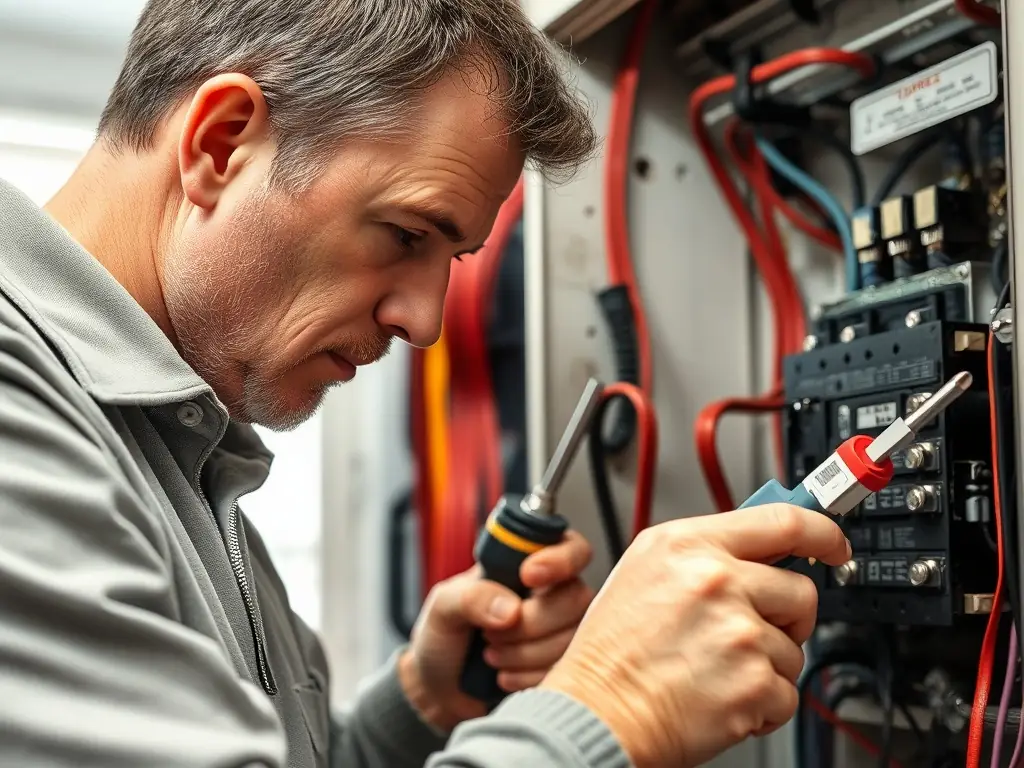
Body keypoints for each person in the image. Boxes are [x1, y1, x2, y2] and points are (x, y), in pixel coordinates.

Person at [0, 1, 851, 767]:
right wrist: (616, 705)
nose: (426, 322)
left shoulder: (177, 449)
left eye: (453, 259)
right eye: (407, 234)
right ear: (222, 142)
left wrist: (416, 707)